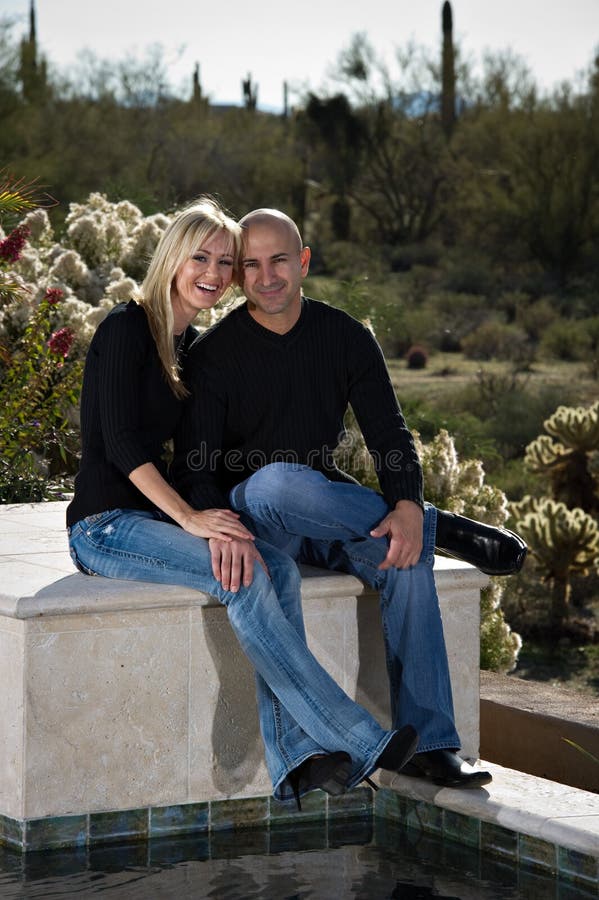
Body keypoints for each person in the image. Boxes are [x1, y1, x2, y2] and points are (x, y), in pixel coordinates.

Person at [65, 196, 420, 810]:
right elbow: (121, 443)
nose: (214, 271)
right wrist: (193, 518)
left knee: (274, 565)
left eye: (224, 261)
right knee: (247, 574)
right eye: (199, 256)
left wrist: (216, 520)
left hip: (152, 520)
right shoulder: (128, 327)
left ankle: (298, 761)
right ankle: (355, 736)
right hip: (104, 526)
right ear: (172, 258)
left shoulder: (188, 342)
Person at [173, 208, 526, 789]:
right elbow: (197, 469)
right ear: (239, 278)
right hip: (255, 513)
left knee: (404, 554)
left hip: (322, 509)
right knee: (276, 481)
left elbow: (389, 434)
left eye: (280, 260)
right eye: (253, 265)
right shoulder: (214, 355)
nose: (267, 277)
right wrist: (223, 532)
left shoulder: (346, 337)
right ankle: (445, 526)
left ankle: (432, 743)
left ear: (304, 261)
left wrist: (407, 505)